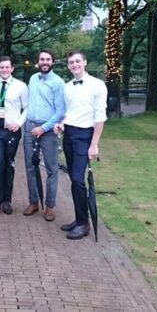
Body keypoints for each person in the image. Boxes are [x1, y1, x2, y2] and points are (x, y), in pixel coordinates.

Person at [54, 50, 107, 239]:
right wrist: (62, 124)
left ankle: (84, 224)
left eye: (77, 61)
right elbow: (70, 112)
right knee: (73, 179)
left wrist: (94, 144)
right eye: (71, 62)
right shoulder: (68, 87)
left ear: (85, 62)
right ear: (68, 66)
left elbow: (100, 118)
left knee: (78, 179)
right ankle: (79, 219)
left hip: (85, 136)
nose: (74, 65)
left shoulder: (97, 85)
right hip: (69, 134)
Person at [22, 50, 66, 221]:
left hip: (48, 130)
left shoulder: (58, 83)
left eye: (48, 59)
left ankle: (50, 206)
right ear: (38, 61)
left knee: (51, 168)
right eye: (42, 59)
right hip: (30, 127)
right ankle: (33, 202)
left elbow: (60, 111)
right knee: (30, 166)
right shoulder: (33, 78)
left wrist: (43, 128)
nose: (45, 62)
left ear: (52, 62)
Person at [0, 56, 28, 219]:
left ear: (12, 69)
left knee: (9, 165)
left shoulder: (21, 86)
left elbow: (27, 107)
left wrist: (19, 123)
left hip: (12, 132)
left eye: (7, 67)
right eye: (1, 67)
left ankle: (6, 200)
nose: (4, 70)